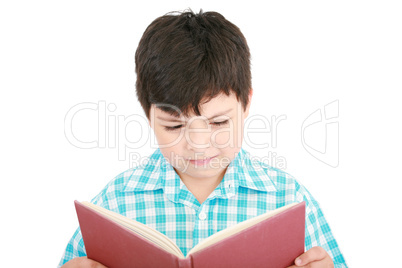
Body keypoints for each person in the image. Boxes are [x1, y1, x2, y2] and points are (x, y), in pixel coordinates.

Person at [58, 9, 347, 267]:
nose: (198, 143)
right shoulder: (115, 204)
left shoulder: (288, 200)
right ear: (148, 115)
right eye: (174, 126)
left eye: (219, 122)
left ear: (246, 104)